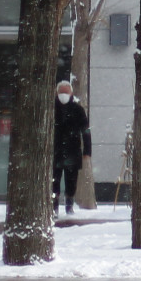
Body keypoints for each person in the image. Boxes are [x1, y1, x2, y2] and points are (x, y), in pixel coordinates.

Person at [54, 80, 92, 214]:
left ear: (71, 93)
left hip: (72, 151)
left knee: (71, 182)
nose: (63, 95)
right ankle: (54, 207)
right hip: (54, 152)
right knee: (54, 182)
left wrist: (87, 150)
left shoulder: (78, 110)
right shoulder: (51, 109)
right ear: (57, 93)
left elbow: (86, 131)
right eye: (61, 92)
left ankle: (69, 206)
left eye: (66, 92)